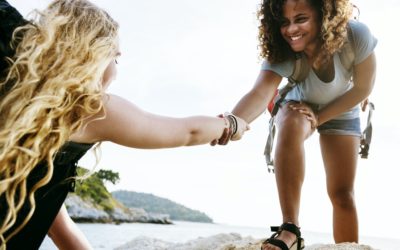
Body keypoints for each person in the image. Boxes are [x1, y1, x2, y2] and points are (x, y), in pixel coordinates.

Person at [0, 0, 249, 249]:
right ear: (92, 54)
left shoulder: (15, 108)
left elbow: (58, 226)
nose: (116, 72)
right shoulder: (88, 110)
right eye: (114, 58)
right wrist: (232, 125)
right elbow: (188, 131)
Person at [225, 0, 377, 249]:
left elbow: (363, 88)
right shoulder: (283, 53)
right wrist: (233, 122)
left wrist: (320, 118)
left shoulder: (356, 35)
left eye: (300, 19)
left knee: (342, 194)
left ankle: (349, 246)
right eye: (284, 22)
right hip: (299, 106)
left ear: (324, 15)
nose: (291, 29)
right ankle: (290, 229)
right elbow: (260, 93)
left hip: (343, 107)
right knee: (291, 120)